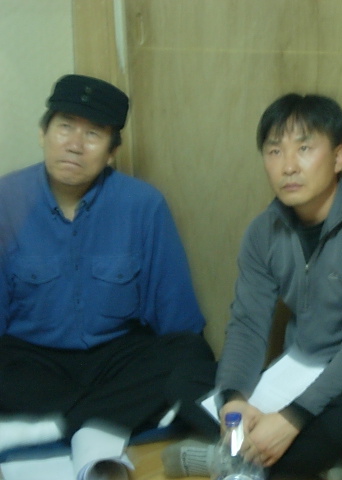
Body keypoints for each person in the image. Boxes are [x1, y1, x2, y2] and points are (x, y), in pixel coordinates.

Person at [163, 93, 342, 479]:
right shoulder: (263, 232)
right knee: (184, 379)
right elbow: (248, 326)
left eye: (304, 149)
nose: (288, 166)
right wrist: (233, 404)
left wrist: (291, 418)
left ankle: (238, 461)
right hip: (297, 371)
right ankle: (294, 460)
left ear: (338, 157)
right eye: (274, 151)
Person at [0, 75, 218, 460]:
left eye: (93, 134)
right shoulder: (6, 200)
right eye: (65, 127)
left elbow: (179, 320)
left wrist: (187, 366)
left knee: (190, 354)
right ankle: (105, 421)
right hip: (32, 361)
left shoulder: (144, 205)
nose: (74, 144)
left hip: (115, 358)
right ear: (43, 133)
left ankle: (55, 425)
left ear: (112, 151)